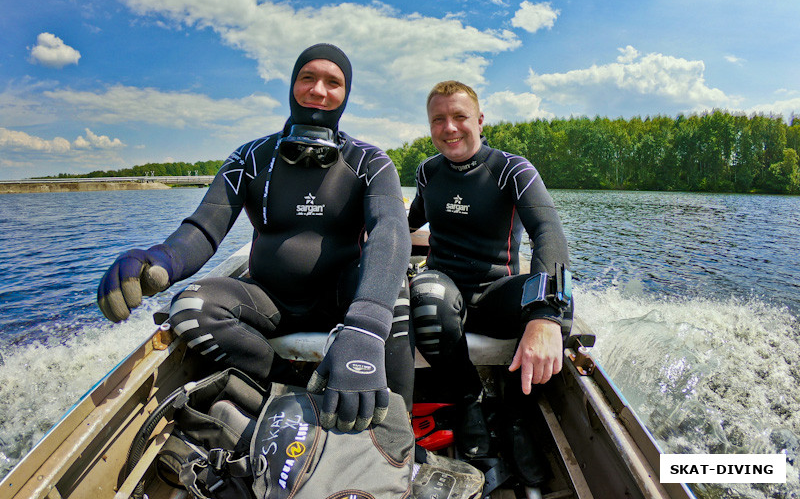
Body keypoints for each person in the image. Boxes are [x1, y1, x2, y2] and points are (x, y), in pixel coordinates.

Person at [97, 43, 414, 434]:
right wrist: (158, 259)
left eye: (334, 82)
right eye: (308, 78)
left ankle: (398, 433)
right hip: (270, 299)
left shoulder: (369, 161)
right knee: (189, 307)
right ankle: (293, 390)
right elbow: (203, 228)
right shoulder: (250, 158)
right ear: (292, 85)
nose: (319, 90)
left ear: (346, 95)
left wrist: (366, 327)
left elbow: (391, 231)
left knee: (395, 291)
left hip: (342, 297)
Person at [407, 80, 573, 485]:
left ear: (479, 121)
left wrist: (545, 317)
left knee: (559, 305)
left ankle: (516, 415)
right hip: (444, 292)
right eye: (439, 120)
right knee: (426, 297)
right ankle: (469, 401)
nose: (450, 128)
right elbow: (407, 224)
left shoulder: (511, 170)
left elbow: (549, 232)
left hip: (497, 291)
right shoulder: (428, 172)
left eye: (460, 117)